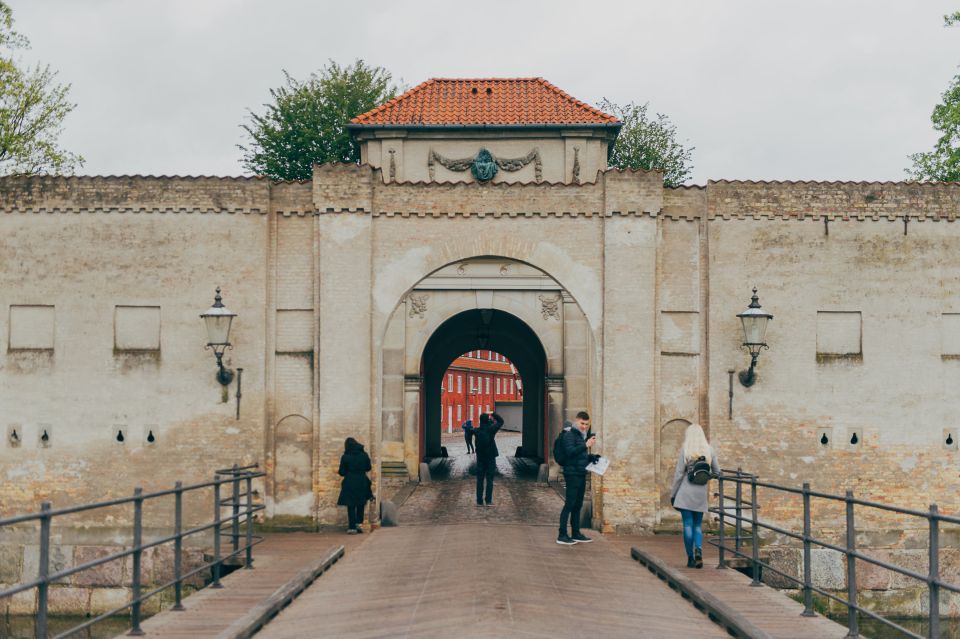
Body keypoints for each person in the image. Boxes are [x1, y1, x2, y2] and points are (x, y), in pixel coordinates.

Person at [670, 423, 720, 568]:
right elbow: (717, 472)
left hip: (685, 492)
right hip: (700, 492)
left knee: (687, 525)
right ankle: (699, 549)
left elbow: (679, 474)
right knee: (697, 525)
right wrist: (705, 476)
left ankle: (690, 558)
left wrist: (673, 494)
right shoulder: (709, 450)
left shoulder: (686, 450)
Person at [557, 411, 598, 545]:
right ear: (576, 421)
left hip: (580, 473)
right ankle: (562, 535)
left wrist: (592, 457)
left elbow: (580, 456)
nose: (584, 426)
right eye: (582, 423)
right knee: (569, 504)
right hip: (572, 474)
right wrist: (585, 445)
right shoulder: (569, 435)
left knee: (578, 505)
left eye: (587, 424)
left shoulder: (581, 436)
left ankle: (576, 533)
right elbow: (570, 453)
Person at [337, 437, 373, 534]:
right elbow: (368, 468)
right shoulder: (364, 455)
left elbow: (341, 472)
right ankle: (359, 524)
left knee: (351, 505)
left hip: (350, 482)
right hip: (362, 481)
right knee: (361, 503)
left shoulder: (345, 457)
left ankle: (352, 527)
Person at [473, 412, 504, 506]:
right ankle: (488, 500)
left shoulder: (476, 431)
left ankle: (479, 501)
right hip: (490, 457)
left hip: (480, 458)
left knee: (480, 479)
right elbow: (501, 421)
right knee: (490, 479)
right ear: (488, 420)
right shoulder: (491, 429)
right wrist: (493, 414)